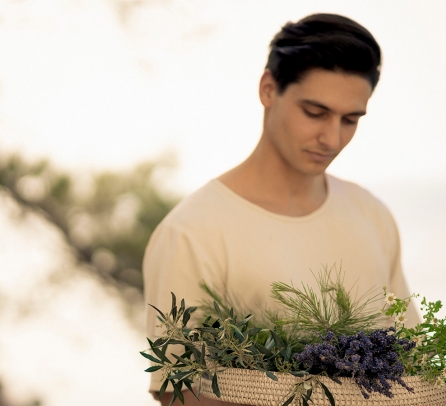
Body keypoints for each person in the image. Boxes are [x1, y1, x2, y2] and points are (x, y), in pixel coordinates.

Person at [143, 13, 420, 405]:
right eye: (315, 112)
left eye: (350, 119)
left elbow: (413, 363)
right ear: (269, 89)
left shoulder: (372, 215)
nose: (332, 138)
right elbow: (178, 392)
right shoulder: (193, 232)